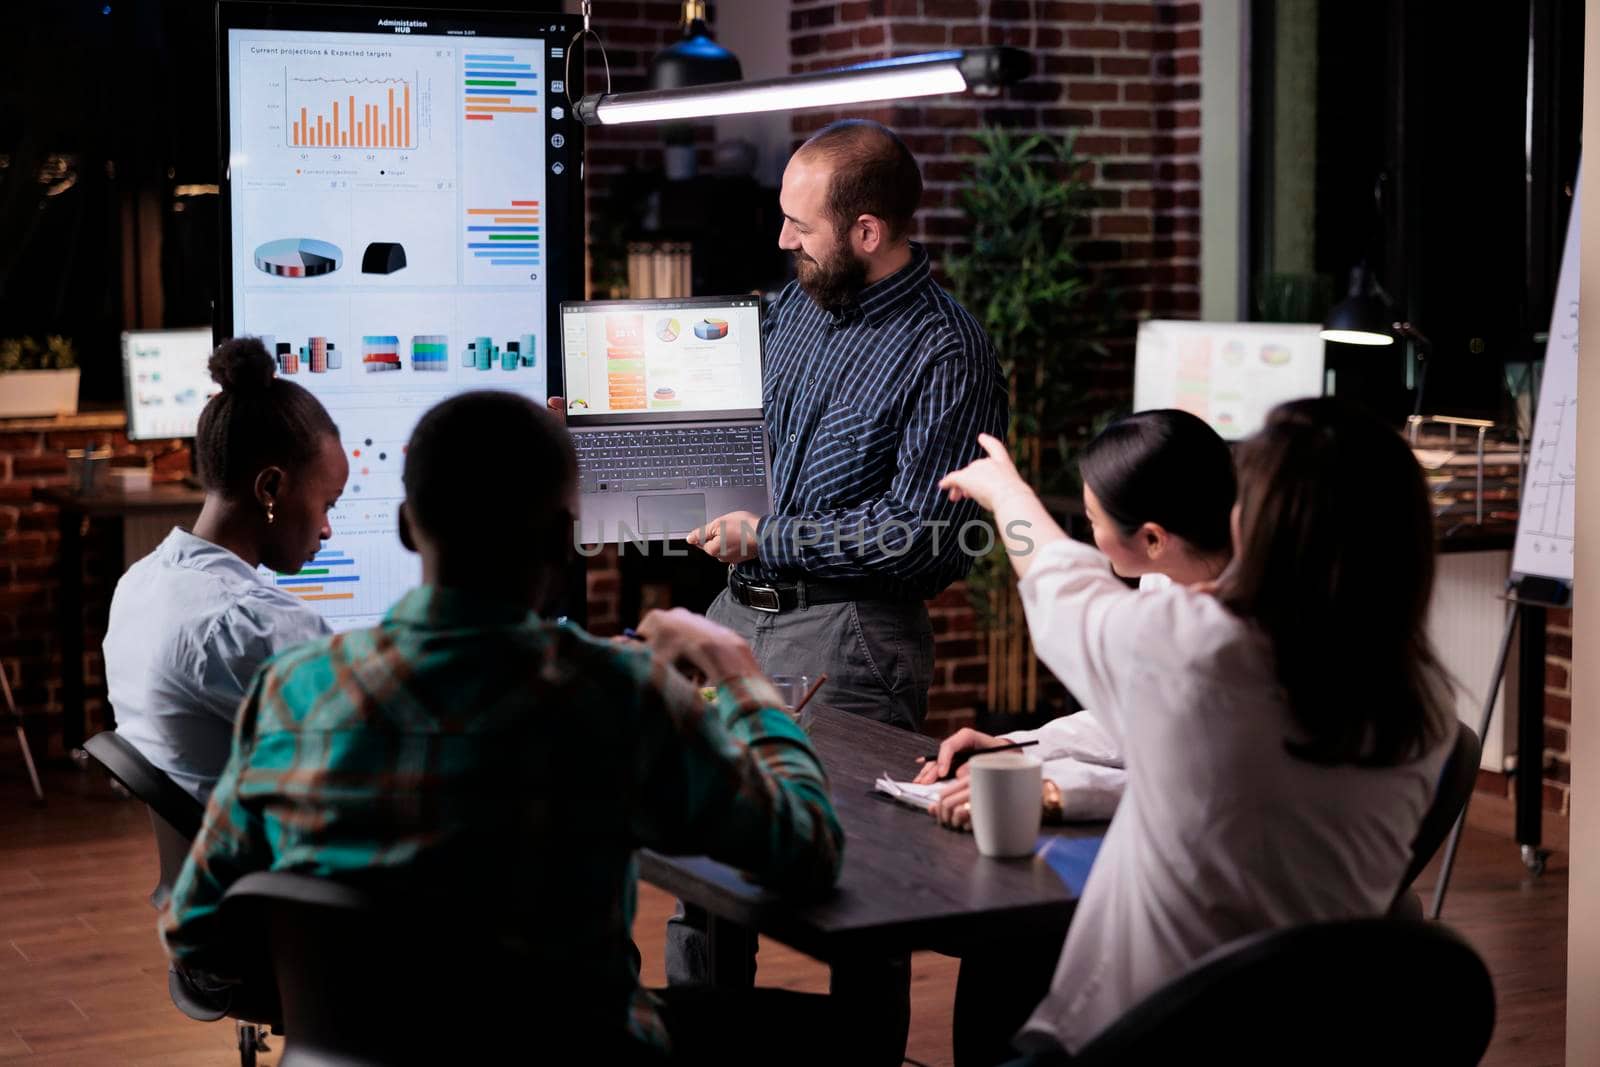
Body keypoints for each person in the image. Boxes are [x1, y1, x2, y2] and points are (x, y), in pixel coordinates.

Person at [159, 391, 846, 1064]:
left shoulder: (290, 691)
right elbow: (807, 848)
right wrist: (741, 677)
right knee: (839, 1029)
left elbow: (196, 933)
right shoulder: (620, 699)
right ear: (560, 538)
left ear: (406, 525)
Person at [932, 397, 1453, 1062]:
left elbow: (1059, 591)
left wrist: (1005, 491)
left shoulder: (1197, 651)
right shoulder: (1423, 701)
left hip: (1142, 1039)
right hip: (1317, 1033)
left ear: (1261, 522)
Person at [669, 118, 1006, 1061]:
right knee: (704, 861)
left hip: (850, 636)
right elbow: (729, 423)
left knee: (865, 890)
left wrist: (769, 534)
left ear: (868, 231)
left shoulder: (949, 353)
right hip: (738, 613)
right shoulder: (796, 305)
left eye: (799, 223)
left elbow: (929, 537)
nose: (783, 239)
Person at [916, 408, 1237, 828]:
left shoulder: (1238, 629)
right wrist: (1016, 748)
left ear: (1154, 539)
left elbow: (1189, 769)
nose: (1090, 535)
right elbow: (1134, 710)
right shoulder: (1166, 577)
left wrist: (1051, 792)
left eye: (1093, 521)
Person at [104, 336, 346, 804]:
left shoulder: (137, 583)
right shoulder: (256, 628)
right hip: (284, 865)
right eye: (326, 505)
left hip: (206, 860)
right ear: (270, 488)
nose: (327, 529)